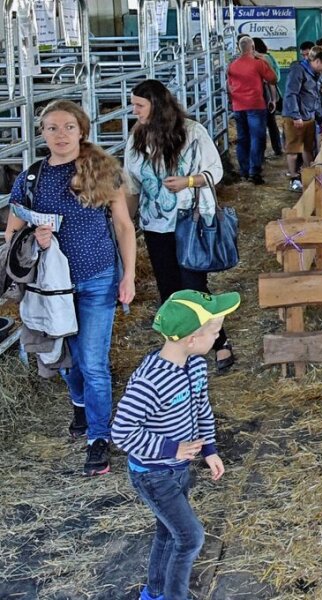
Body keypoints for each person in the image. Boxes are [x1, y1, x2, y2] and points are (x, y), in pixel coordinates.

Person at [6, 100, 136, 476]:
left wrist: (127, 276)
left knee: (94, 362)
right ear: (41, 133)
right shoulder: (31, 178)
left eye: (68, 127)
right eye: (51, 128)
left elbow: (124, 227)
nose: (60, 135)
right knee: (66, 358)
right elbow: (13, 230)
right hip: (51, 287)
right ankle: (79, 401)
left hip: (98, 278)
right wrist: (34, 235)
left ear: (82, 130)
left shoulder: (102, 172)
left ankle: (99, 438)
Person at [111, 290, 237, 600]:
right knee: (190, 537)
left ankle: (153, 593)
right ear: (193, 339)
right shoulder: (150, 381)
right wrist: (172, 448)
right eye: (215, 331)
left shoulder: (195, 365)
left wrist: (210, 450)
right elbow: (121, 431)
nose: (218, 336)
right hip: (152, 474)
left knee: (168, 533)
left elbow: (201, 407)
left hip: (178, 469)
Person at [125, 80, 235, 374]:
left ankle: (219, 340)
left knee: (194, 284)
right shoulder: (136, 137)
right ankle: (179, 346)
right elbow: (132, 183)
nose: (134, 111)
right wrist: (126, 221)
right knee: (168, 287)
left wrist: (188, 181)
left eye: (139, 105)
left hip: (190, 219)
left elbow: (215, 170)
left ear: (157, 106)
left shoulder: (192, 132)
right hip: (155, 222)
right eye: (134, 104)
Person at [226, 36, 276, 184]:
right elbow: (273, 79)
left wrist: (232, 101)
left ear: (238, 48)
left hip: (238, 105)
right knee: (257, 138)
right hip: (255, 104)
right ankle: (254, 171)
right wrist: (265, 61)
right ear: (253, 47)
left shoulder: (232, 65)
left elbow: (229, 86)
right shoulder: (258, 63)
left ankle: (244, 171)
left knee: (242, 138)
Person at [282, 51, 322, 187]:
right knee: (293, 148)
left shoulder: (317, 74)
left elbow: (314, 93)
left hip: (309, 115)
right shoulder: (298, 70)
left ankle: (310, 175)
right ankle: (294, 178)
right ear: (317, 62)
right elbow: (291, 93)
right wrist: (295, 115)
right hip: (296, 117)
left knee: (308, 148)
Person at [253, 38, 283, 158]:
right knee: (271, 122)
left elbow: (270, 78)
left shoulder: (261, 58)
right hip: (271, 93)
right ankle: (277, 148)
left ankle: (262, 151)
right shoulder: (268, 56)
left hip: (265, 93)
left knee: (263, 123)